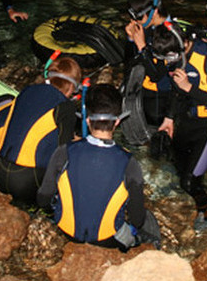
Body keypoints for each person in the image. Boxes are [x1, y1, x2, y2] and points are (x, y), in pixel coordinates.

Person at [37, 83, 161, 251]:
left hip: (66, 230)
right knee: (144, 224)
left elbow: (43, 198)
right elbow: (136, 218)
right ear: (117, 122)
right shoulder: (129, 162)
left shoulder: (64, 152)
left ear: (87, 120)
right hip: (107, 239)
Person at [151, 22, 207, 233]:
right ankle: (199, 178)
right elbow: (176, 91)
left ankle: (205, 208)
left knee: (189, 181)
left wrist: (189, 88)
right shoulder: (173, 53)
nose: (169, 62)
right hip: (186, 118)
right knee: (176, 162)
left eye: (171, 57)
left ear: (184, 43)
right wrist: (169, 118)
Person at [0, 56, 82, 207]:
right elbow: (64, 154)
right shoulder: (66, 107)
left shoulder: (27, 91)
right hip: (25, 182)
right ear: (72, 88)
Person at [124, 0, 172, 126]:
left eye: (138, 17)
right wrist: (131, 40)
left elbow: (157, 75)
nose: (134, 21)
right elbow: (130, 63)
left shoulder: (170, 36)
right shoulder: (148, 26)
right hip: (144, 90)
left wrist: (142, 47)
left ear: (154, 12)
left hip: (160, 98)